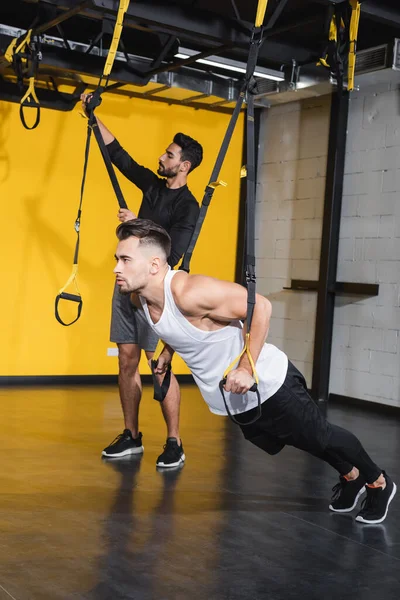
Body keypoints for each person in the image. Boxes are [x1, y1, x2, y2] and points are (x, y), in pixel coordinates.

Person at [112, 218, 397, 524]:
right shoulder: (139, 298)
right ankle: (351, 476)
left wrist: (246, 368)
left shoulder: (189, 291)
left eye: (125, 260)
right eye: (117, 259)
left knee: (322, 436)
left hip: (268, 383)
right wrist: (168, 352)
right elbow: (175, 325)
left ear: (154, 265)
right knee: (303, 439)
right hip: (235, 397)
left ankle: (378, 482)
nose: (116, 267)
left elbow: (260, 306)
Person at [80, 94, 203, 467]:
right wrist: (92, 114)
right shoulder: (152, 185)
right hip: (126, 288)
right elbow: (119, 156)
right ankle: (132, 435)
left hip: (157, 294)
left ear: (183, 165)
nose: (162, 159)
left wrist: (140, 225)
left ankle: (174, 442)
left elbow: (172, 254)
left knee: (158, 365)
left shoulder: (189, 206)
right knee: (126, 360)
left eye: (169, 155)